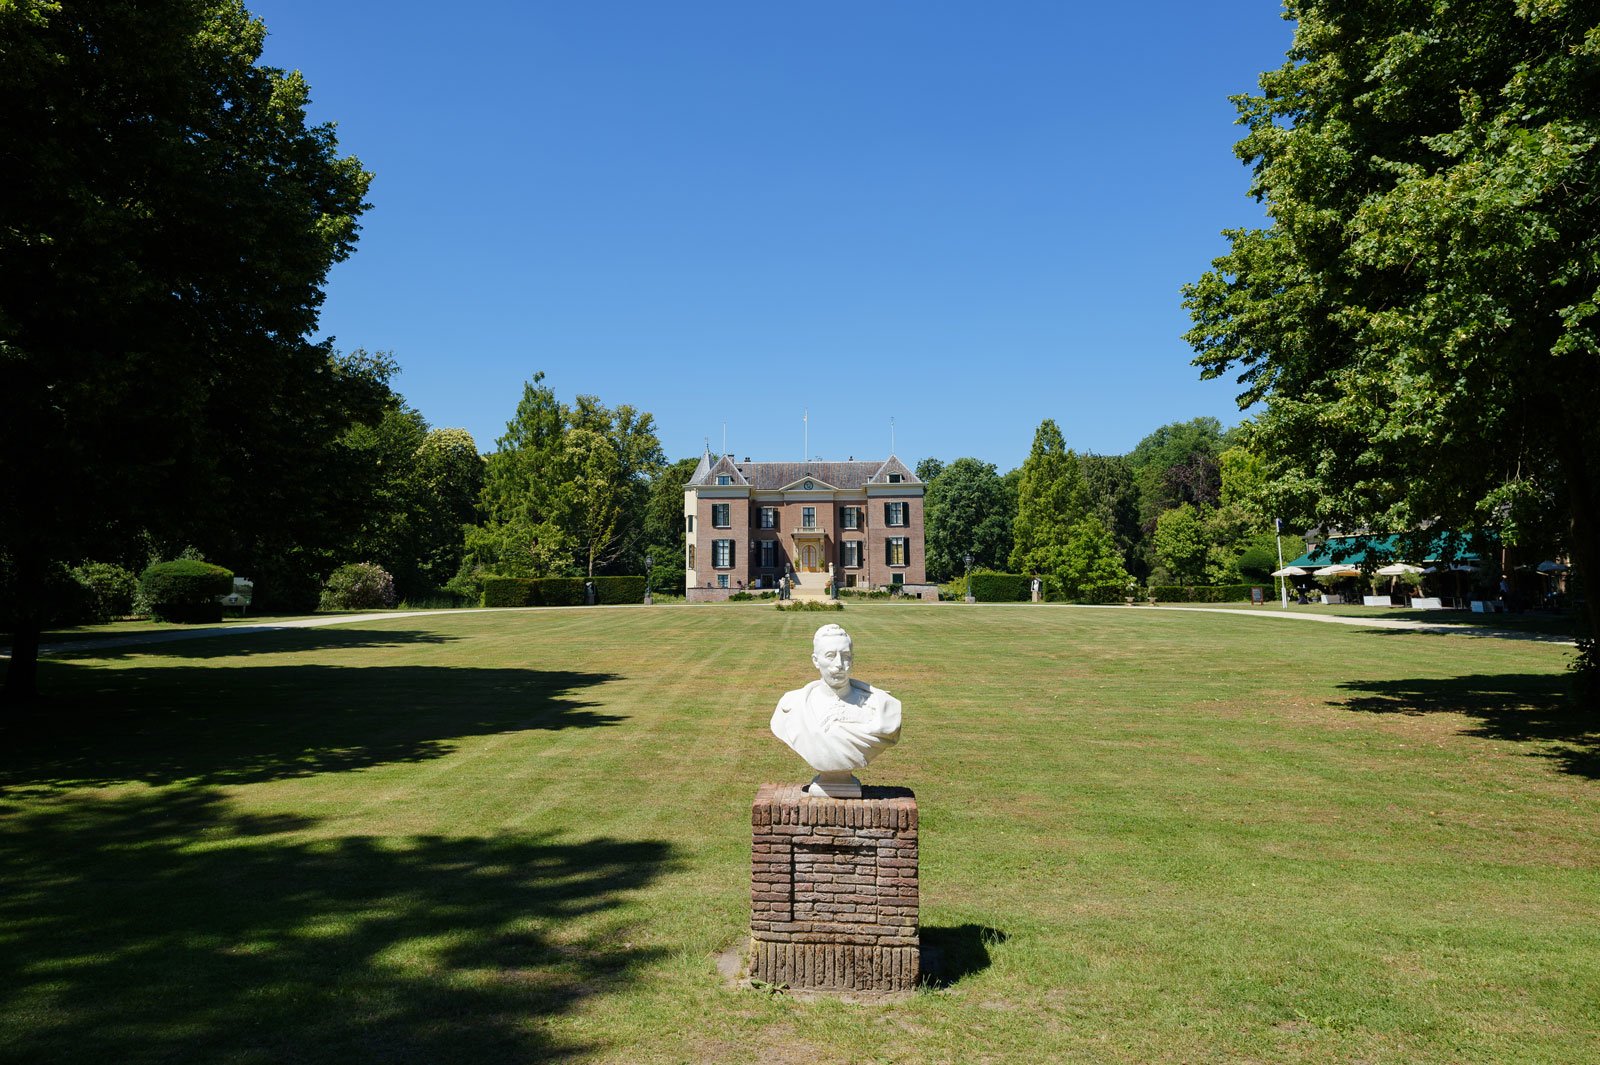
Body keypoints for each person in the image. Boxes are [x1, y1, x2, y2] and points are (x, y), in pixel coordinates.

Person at [771, 624, 902, 797]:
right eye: (830, 656)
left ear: (852, 659)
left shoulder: (883, 707)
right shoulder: (790, 707)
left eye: (845, 656)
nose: (839, 664)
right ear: (815, 661)